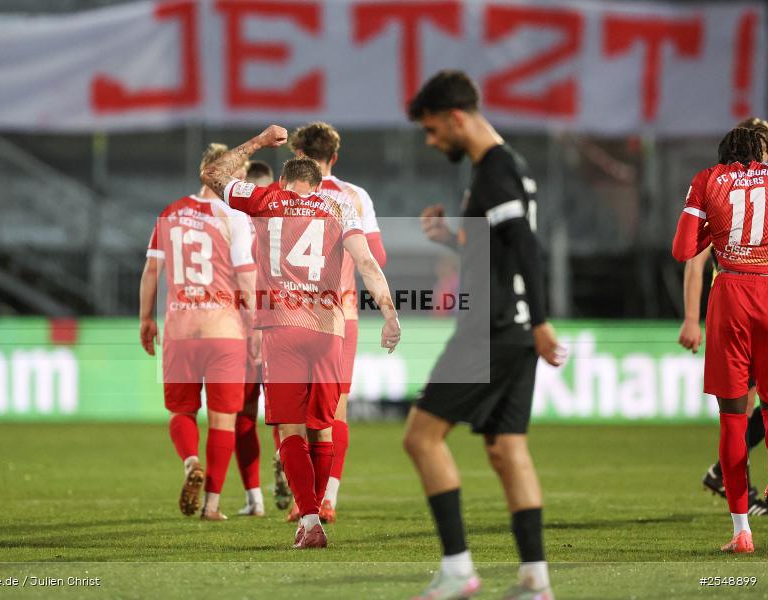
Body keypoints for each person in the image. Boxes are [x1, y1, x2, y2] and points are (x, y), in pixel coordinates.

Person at [403, 71, 565, 600]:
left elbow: (525, 247)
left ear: (455, 117)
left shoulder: (495, 170)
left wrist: (541, 320)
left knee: (421, 437)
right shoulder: (501, 167)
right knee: (506, 447)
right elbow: (500, 250)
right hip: (512, 328)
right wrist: (453, 238)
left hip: (493, 329)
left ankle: (456, 570)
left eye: (431, 130)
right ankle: (535, 581)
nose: (431, 141)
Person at [200, 125, 401, 549]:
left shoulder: (266, 198)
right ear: (316, 182)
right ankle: (326, 499)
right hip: (332, 328)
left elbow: (214, 175)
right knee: (324, 426)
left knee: (289, 429)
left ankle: (309, 521)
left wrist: (256, 143)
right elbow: (367, 260)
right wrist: (389, 314)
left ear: (286, 180)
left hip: (283, 329)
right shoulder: (341, 207)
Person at [138, 144, 256, 521]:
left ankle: (191, 463)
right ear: (230, 176)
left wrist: (146, 319)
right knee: (223, 419)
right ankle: (212, 505)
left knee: (182, 411)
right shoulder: (234, 218)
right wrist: (258, 328)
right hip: (224, 329)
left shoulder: (170, 213)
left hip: (180, 328)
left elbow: (151, 273)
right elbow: (248, 280)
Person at [672, 125, 768, 554]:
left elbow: (682, 251)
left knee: (733, 417)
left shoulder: (706, 180)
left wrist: (713, 232)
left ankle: (741, 533)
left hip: (729, 296)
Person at [283, 121, 387, 523]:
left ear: (297, 155)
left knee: (290, 412)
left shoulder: (283, 193)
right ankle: (328, 498)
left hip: (288, 314)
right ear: (334, 157)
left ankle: (300, 499)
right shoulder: (354, 196)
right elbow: (376, 256)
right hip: (339, 316)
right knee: (334, 413)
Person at [235, 160, 275, 517]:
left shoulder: (235, 221)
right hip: (284, 326)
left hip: (243, 330)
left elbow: (245, 282)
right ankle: (286, 468)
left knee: (244, 414)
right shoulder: (285, 218)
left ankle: (254, 497)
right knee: (284, 411)